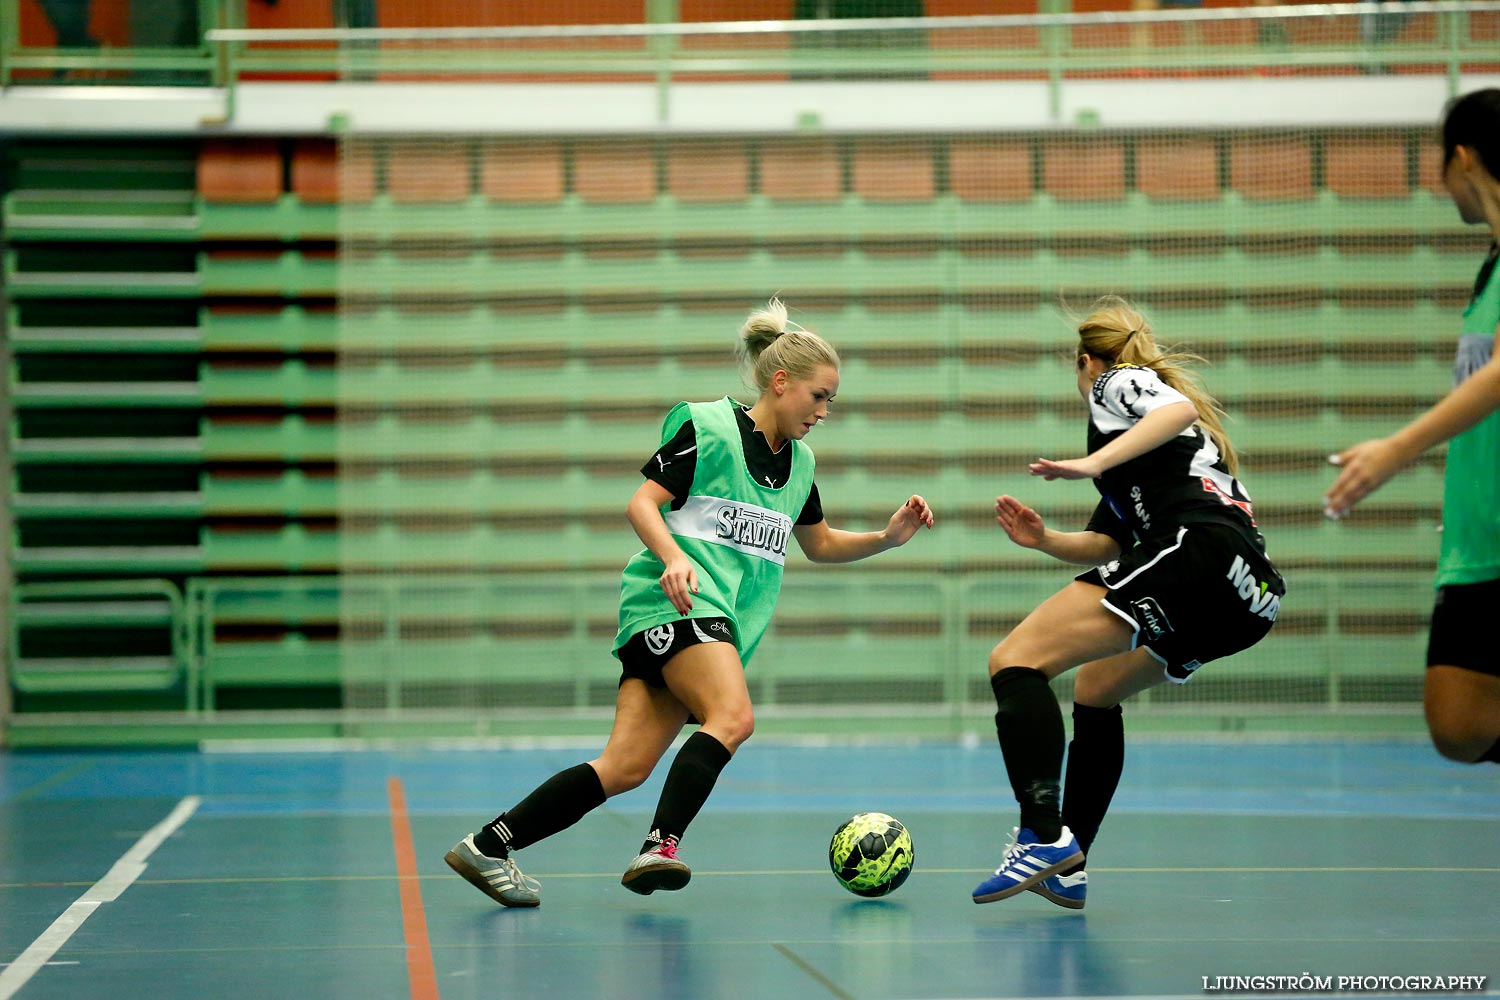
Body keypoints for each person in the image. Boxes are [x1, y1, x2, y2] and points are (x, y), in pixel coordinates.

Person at [445, 298, 935, 907]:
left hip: (703, 625)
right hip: (673, 606)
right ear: (781, 382)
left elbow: (821, 544)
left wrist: (887, 538)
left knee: (623, 767)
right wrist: (675, 556)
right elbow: (641, 504)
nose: (825, 411)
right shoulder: (707, 428)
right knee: (733, 718)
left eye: (831, 400)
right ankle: (661, 843)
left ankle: (489, 845)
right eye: (819, 396)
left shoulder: (801, 465)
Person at [972, 296, 1284, 910]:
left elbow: (1176, 406)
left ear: (1085, 362)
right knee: (1095, 691)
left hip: (1198, 551)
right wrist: (1044, 540)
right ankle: (1068, 862)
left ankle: (1040, 835)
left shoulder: (1116, 383)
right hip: (1251, 596)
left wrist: (1088, 461)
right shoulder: (1150, 459)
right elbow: (1109, 543)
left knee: (1015, 660)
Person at [1324, 88, 1500, 768]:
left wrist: (1399, 447)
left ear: (1462, 158)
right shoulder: (1490, 268)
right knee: (1457, 722)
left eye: (1440, 163)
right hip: (1480, 536)